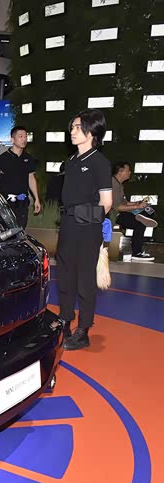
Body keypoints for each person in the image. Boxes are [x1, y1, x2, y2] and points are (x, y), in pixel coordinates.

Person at [57, 109, 114, 351]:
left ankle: (83, 330)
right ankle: (65, 321)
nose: (73, 131)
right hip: (67, 225)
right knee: (65, 277)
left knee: (84, 280)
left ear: (91, 132)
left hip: (87, 228)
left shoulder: (100, 162)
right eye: (72, 127)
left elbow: (106, 202)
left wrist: (90, 222)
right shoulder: (71, 161)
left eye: (78, 127)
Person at [0, 126, 41, 229]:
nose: (24, 139)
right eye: (20, 136)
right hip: (5, 203)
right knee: (6, 231)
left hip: (22, 202)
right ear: (12, 139)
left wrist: (36, 198)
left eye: (25, 136)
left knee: (21, 230)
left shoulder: (28, 158)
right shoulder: (1, 160)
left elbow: (31, 178)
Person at [111, 161, 156, 261]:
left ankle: (141, 216)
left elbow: (124, 203)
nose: (130, 172)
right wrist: (136, 207)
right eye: (128, 170)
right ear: (120, 171)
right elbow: (117, 207)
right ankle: (137, 253)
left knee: (148, 211)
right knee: (140, 224)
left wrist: (137, 203)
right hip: (114, 215)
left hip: (121, 213)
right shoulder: (113, 184)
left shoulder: (119, 184)